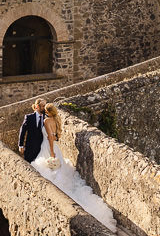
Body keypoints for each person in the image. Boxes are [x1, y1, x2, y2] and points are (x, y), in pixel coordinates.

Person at [30, 103, 117, 231]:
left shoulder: (47, 120)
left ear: (47, 112)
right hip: (55, 146)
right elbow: (55, 136)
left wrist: (52, 152)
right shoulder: (55, 120)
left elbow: (49, 137)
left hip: (49, 147)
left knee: (50, 170)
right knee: (60, 168)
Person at [18, 98, 46, 163]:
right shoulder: (29, 117)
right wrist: (21, 145)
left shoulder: (46, 118)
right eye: (43, 106)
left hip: (42, 147)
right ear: (37, 106)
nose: (45, 108)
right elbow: (22, 131)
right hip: (30, 147)